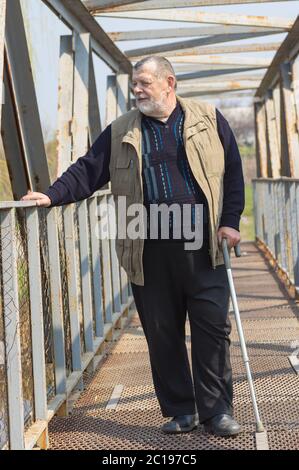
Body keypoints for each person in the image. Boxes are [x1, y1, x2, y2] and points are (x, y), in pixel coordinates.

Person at [22, 56, 244, 437]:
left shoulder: (209, 119)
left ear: (168, 83)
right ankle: (182, 411)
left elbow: (234, 173)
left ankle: (217, 412)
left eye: (144, 83)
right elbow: (87, 171)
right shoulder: (121, 129)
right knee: (162, 332)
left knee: (212, 327)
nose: (136, 91)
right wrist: (51, 195)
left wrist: (231, 222)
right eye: (134, 84)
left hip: (203, 243)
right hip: (148, 246)